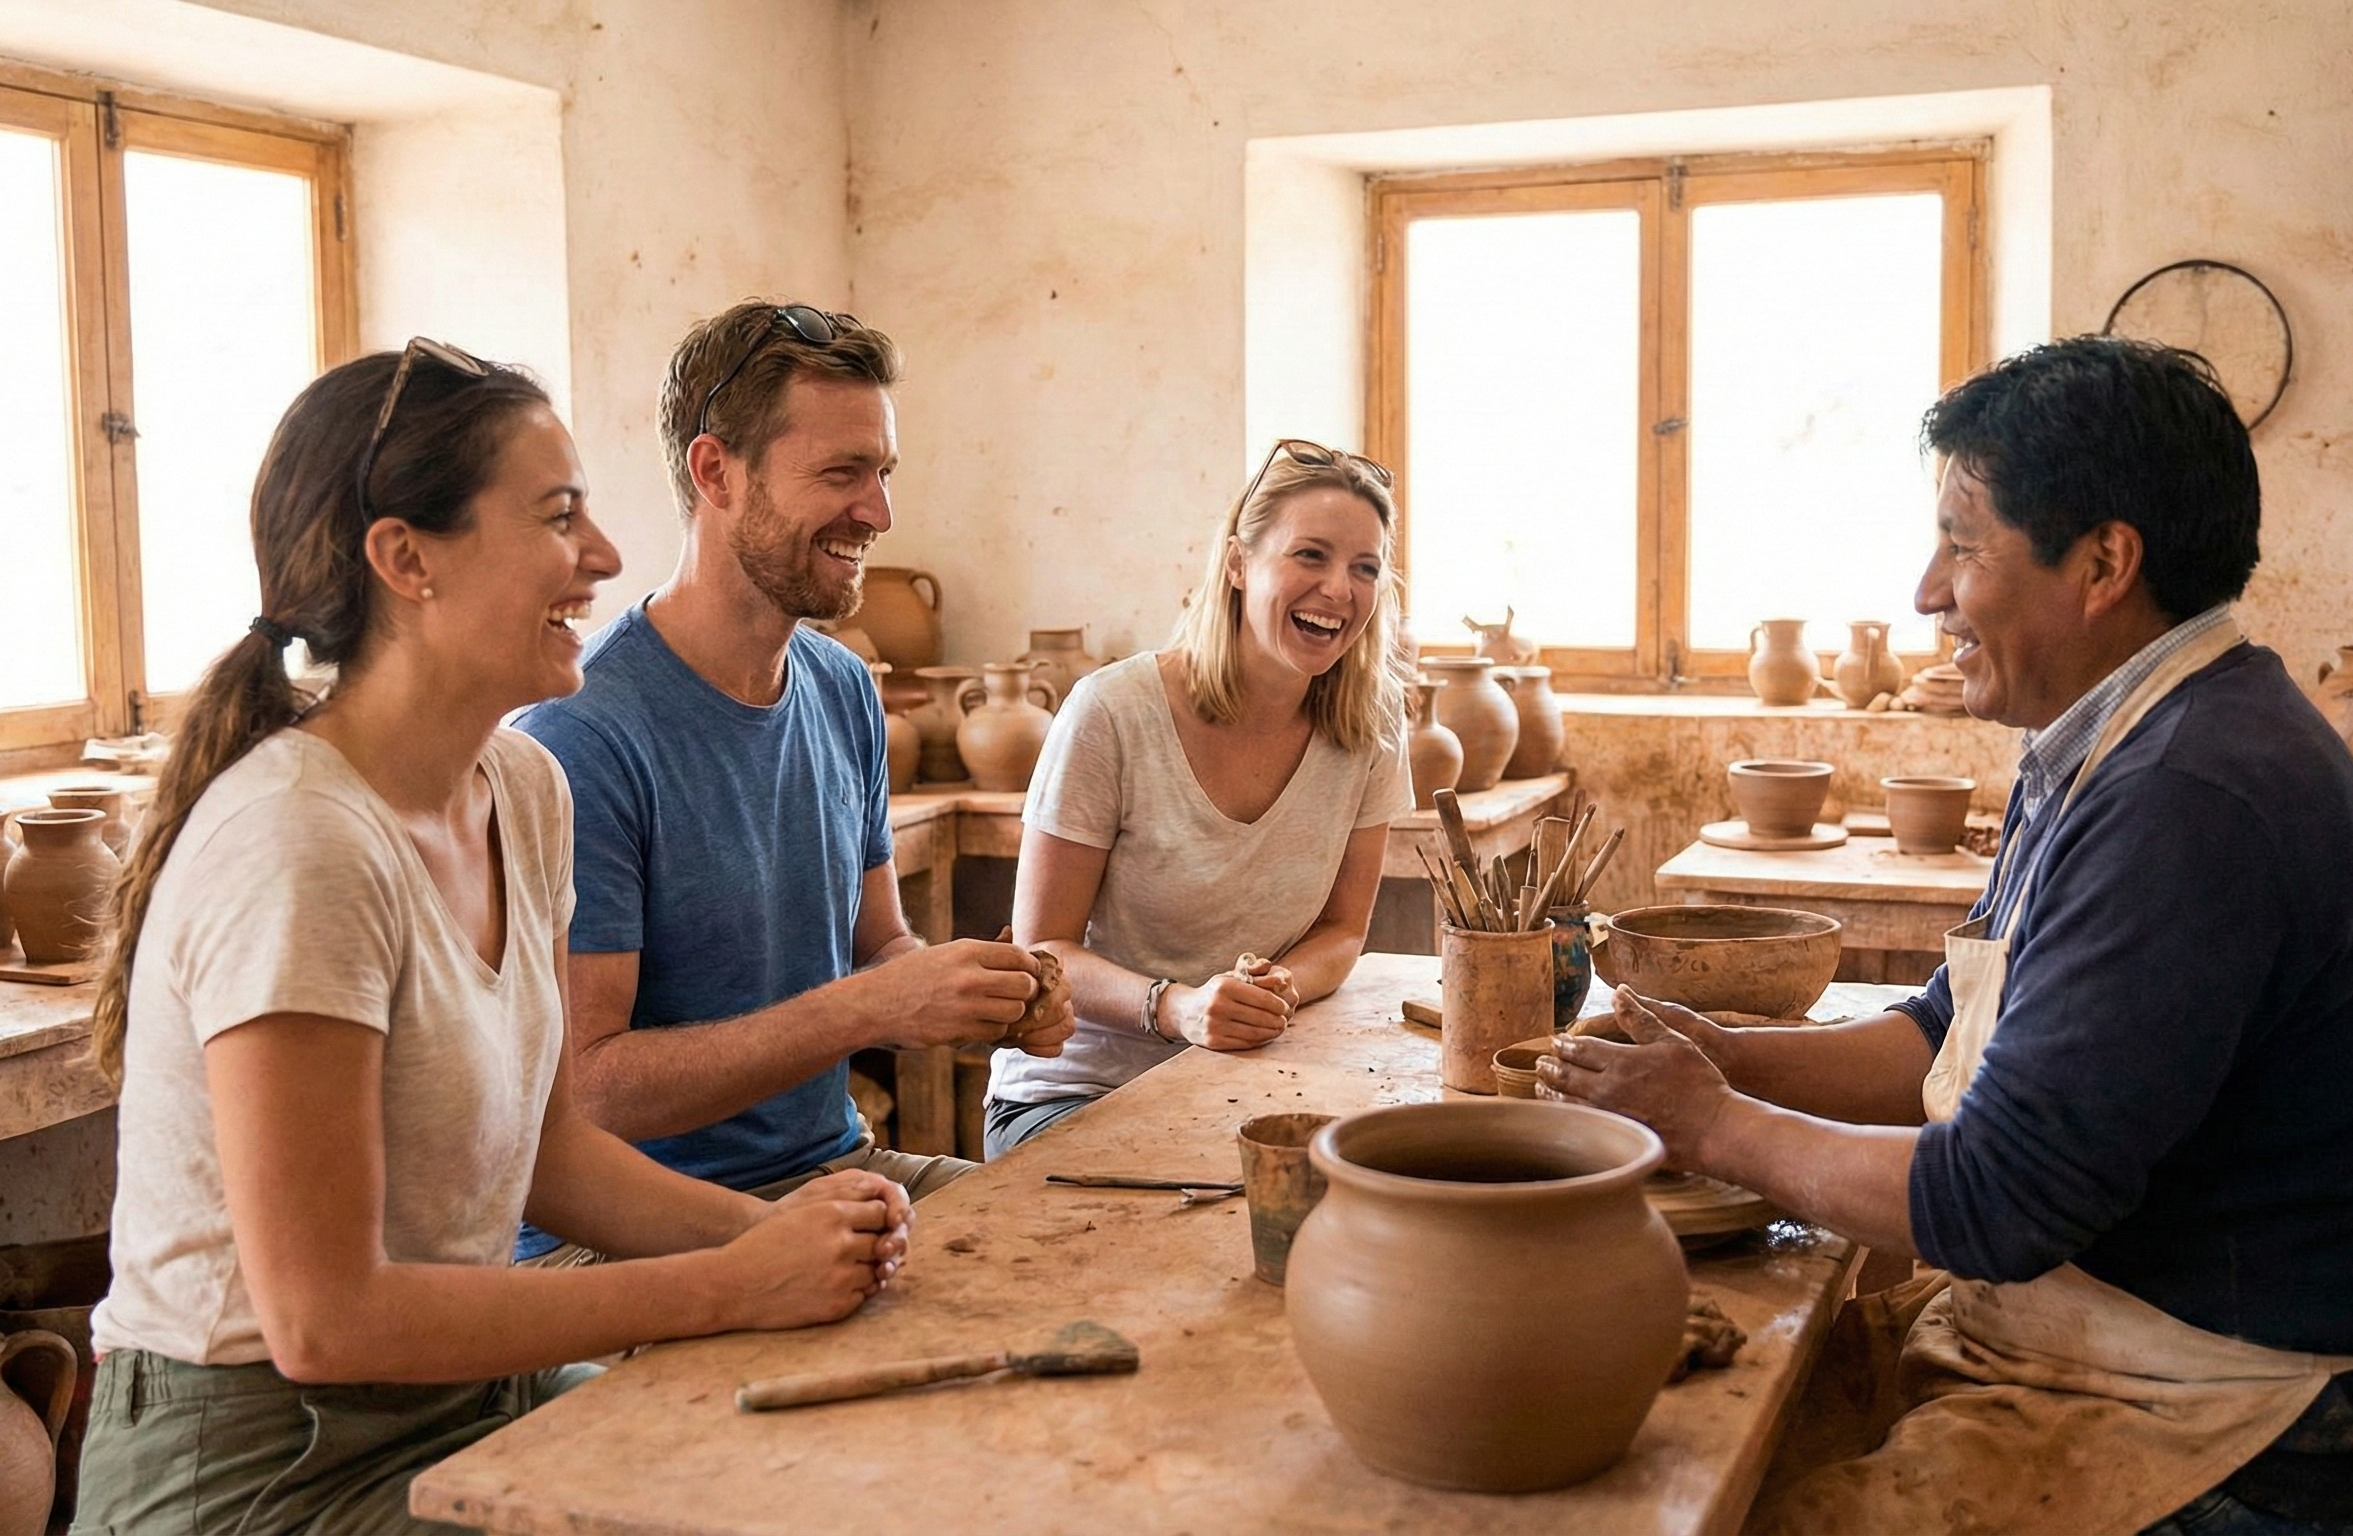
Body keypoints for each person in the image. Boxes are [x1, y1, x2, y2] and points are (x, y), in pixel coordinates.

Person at [1544, 338, 2353, 1536]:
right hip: (2137, 1349)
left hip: (2256, 1436)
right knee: (1708, 1440)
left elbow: (1995, 1200)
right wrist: (1727, 1059)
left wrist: (1712, 1125)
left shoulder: (2186, 796)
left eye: (1962, 547)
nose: (1926, 592)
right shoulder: (2114, 739)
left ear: (2102, 563)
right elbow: (1946, 1033)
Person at [75, 342, 912, 1535]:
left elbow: (545, 1153)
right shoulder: (300, 843)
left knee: (840, 1473)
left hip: (463, 1392)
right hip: (262, 1460)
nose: (604, 555)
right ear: (405, 559)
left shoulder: (520, 786)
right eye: (558, 516)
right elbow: (322, 1322)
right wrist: (726, 1284)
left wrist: (779, 1236)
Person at [514, 301, 1069, 1264]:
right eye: (842, 473)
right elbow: (589, 1091)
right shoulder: (580, 734)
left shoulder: (843, 687)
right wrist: (871, 1007)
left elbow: (879, 946)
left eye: (883, 473)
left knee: (1086, 1249)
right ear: (716, 472)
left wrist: (971, 993)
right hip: (629, 1235)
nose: (879, 513)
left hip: (834, 1170)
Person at [983, 439, 1412, 1156]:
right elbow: (1042, 948)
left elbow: (1343, 930)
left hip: (1243, 1085)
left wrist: (1277, 989)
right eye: (1310, 555)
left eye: (1364, 568)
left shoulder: (1372, 721)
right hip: (1077, 1093)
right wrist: (1177, 1009)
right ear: (1239, 563)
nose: (1339, 590)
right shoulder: (1112, 711)